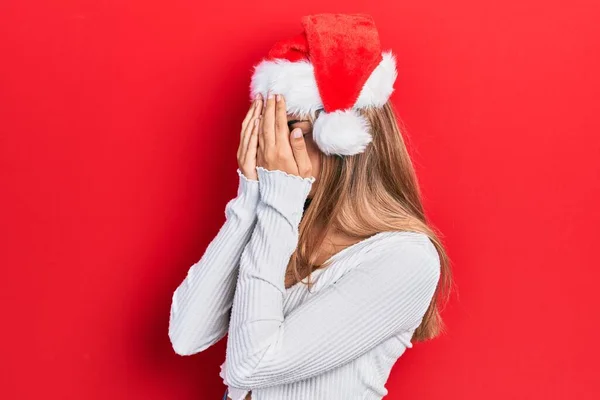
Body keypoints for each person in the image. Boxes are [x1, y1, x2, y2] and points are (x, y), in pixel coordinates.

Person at [168, 13, 453, 400]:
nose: (271, 146)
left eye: (286, 126)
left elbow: (252, 364)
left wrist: (279, 198)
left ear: (339, 139)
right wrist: (251, 197)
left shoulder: (406, 257)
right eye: (267, 126)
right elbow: (188, 333)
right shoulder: (282, 221)